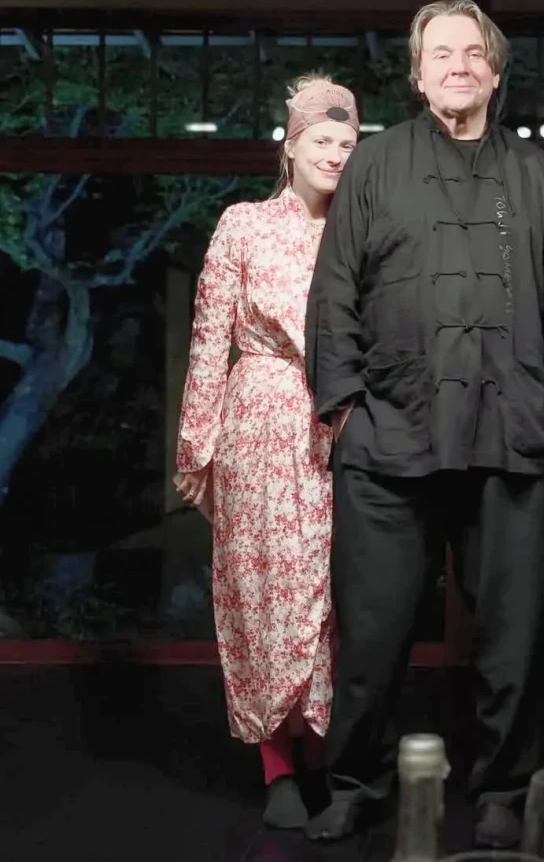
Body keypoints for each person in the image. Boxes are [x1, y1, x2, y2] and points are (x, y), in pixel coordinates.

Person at [304, 0, 544, 847]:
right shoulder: (376, 163)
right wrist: (345, 408)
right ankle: (355, 781)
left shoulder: (534, 174)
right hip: (390, 434)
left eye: (473, 53)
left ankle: (501, 788)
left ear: (495, 74)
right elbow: (334, 293)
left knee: (513, 638)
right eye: (440, 53)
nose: (458, 65)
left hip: (513, 436)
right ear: (418, 75)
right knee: (373, 633)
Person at [173, 74, 360, 829]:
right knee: (260, 591)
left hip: (339, 426)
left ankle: (322, 753)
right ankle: (277, 763)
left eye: (348, 143)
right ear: (291, 145)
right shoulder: (243, 225)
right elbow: (207, 338)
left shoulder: (360, 232)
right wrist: (198, 448)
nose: (336, 155)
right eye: (323, 140)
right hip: (256, 420)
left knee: (330, 594)